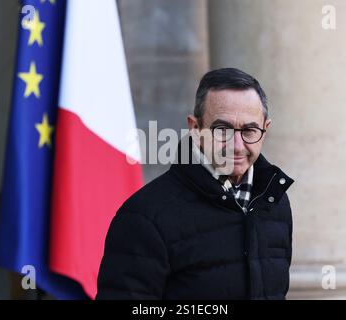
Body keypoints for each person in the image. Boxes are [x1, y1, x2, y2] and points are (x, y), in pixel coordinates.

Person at [96, 67, 294, 300]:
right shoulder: (144, 216)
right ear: (195, 128)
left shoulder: (275, 202)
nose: (237, 146)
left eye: (250, 130)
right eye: (223, 130)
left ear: (265, 129)